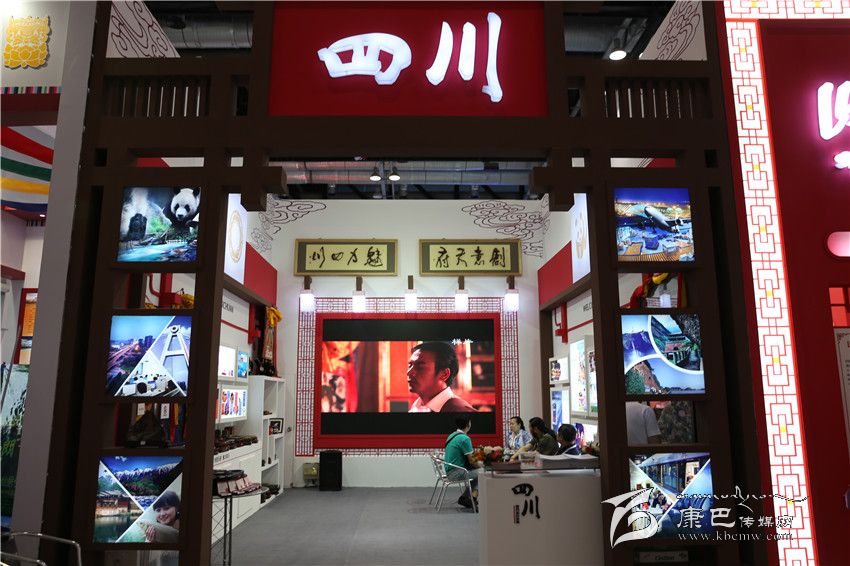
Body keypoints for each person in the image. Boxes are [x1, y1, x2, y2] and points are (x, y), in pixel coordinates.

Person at [407, 342, 476, 412]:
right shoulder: (416, 406)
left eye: (420, 367)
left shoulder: (459, 410)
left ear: (444, 374)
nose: (409, 372)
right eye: (410, 365)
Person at [444, 417, 483, 509]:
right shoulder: (464, 438)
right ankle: (472, 499)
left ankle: (465, 498)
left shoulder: (452, 435)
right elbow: (472, 461)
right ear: (468, 425)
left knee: (476, 475)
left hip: (449, 471)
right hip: (456, 473)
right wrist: (483, 467)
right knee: (482, 474)